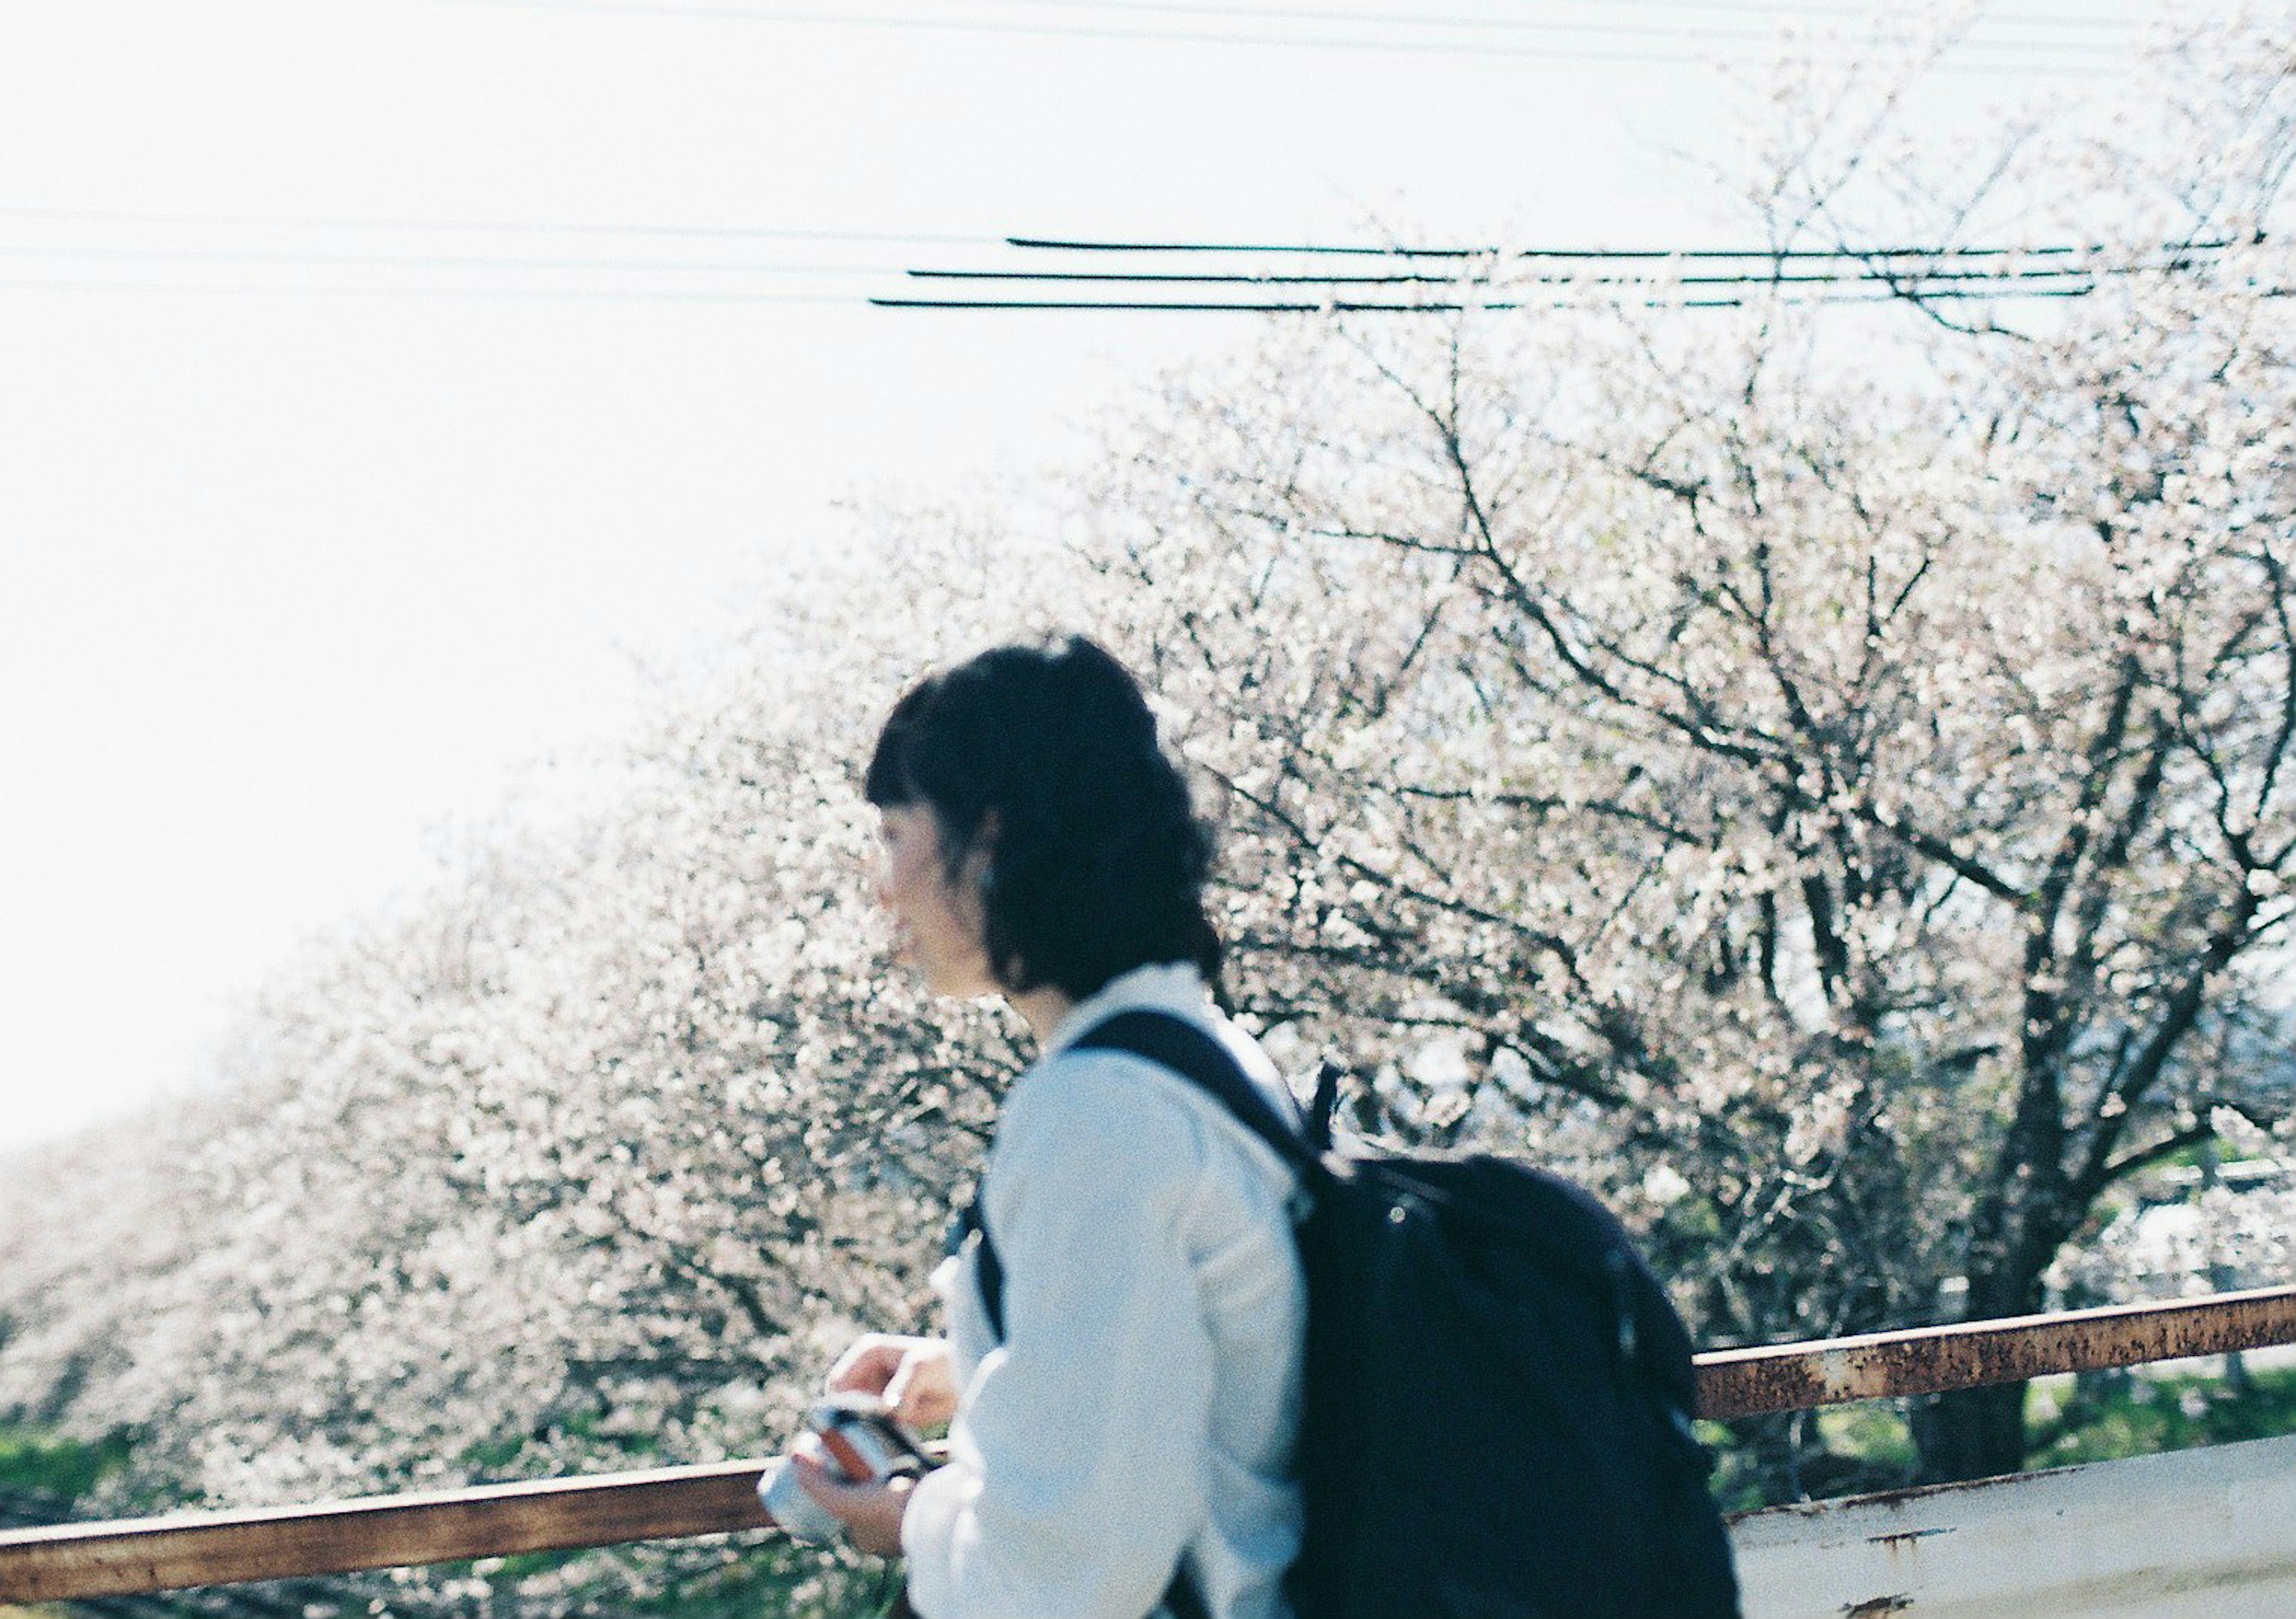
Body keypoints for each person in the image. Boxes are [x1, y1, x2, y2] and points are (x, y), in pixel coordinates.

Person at [789, 636, 1306, 1619]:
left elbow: (1072, 1574)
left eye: (895, 837)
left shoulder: (1095, 1116)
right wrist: (982, 1363)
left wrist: (903, 1521)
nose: (877, 883)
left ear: (987, 841)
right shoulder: (1202, 1053)